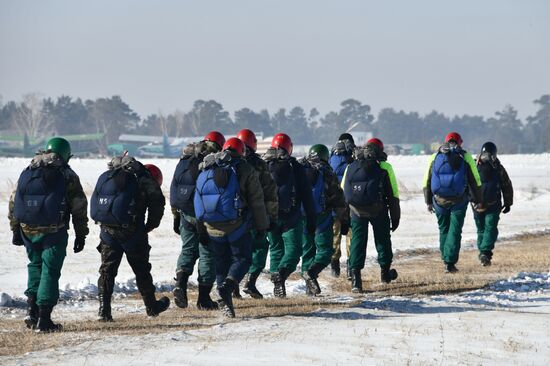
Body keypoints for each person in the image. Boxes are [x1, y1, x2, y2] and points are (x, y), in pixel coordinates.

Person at [9, 137, 89, 332]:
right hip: (54, 231)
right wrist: (81, 234)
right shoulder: (67, 174)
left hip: (28, 229)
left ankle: (31, 311)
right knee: (50, 271)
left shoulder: (29, 170)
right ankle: (44, 320)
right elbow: (79, 206)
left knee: (35, 266)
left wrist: (15, 230)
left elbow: (14, 201)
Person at [194, 137, 268, 317]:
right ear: (242, 151)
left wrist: (200, 228)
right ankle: (226, 288)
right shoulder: (245, 169)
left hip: (211, 225)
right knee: (242, 259)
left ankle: (223, 298)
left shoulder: (208, 165)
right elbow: (256, 201)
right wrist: (262, 226)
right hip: (236, 226)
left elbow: (197, 198)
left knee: (221, 263)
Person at [91, 155, 169, 321]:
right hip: (132, 233)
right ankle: (151, 306)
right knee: (142, 270)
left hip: (107, 231)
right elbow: (157, 204)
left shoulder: (109, 177)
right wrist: (150, 226)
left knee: (107, 270)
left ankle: (104, 310)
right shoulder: (143, 179)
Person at [169, 131, 225, 310]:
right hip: (204, 215)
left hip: (184, 212)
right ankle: (203, 299)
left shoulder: (185, 157)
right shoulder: (213, 159)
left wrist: (176, 215)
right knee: (208, 254)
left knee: (188, 250)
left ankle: (180, 284)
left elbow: (174, 186)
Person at [342, 138, 400, 293]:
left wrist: (344, 218)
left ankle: (356, 279)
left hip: (356, 211)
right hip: (378, 210)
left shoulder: (352, 166)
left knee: (357, 242)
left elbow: (344, 193)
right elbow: (393, 194)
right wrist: (395, 217)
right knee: (383, 240)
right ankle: (385, 273)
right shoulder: (384, 167)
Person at [264, 133, 316, 298]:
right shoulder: (295, 167)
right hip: (291, 216)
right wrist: (311, 218)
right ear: (289, 147)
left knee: (276, 249)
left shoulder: (263, 165)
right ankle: (282, 273)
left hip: (269, 216)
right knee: (294, 251)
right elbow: (306, 194)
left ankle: (276, 277)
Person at [423, 132, 482, 273]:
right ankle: (449, 262)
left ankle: (445, 258)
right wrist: (478, 199)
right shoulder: (465, 156)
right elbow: (475, 179)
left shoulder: (435, 156)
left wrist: (428, 201)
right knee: (455, 231)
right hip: (459, 200)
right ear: (459, 142)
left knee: (444, 229)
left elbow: (427, 179)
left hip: (439, 200)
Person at [299, 144, 348, 296]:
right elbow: (338, 198)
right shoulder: (327, 171)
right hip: (322, 217)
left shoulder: (300, 168)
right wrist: (344, 219)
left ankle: (309, 288)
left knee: (307, 251)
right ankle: (312, 273)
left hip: (302, 217)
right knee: (326, 251)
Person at [236, 129, 278, 299]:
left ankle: (232, 285)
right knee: (260, 247)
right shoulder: (258, 164)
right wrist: (272, 217)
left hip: (231, 215)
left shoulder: (228, 161)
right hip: (254, 215)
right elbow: (270, 192)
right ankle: (250, 282)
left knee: (236, 252)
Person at [472, 142, 513, 266]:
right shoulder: (497, 166)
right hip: (493, 204)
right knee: (490, 228)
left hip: (476, 204)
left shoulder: (474, 164)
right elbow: (506, 185)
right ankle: (485, 252)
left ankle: (482, 252)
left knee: (481, 229)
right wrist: (508, 203)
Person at [328, 133, 356, 278]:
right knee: (352, 235)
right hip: (351, 203)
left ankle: (334, 266)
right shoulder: (354, 155)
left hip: (335, 203)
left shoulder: (331, 156)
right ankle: (351, 267)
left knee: (335, 235)